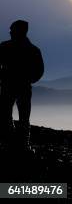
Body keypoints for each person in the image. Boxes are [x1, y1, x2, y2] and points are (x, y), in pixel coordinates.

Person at [0, 20, 44, 152]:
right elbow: (39, 71)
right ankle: (20, 144)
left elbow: (39, 71)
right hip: (19, 87)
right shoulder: (32, 50)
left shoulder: (5, 47)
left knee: (11, 115)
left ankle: (15, 143)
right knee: (18, 116)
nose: (10, 32)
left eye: (12, 30)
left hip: (13, 86)